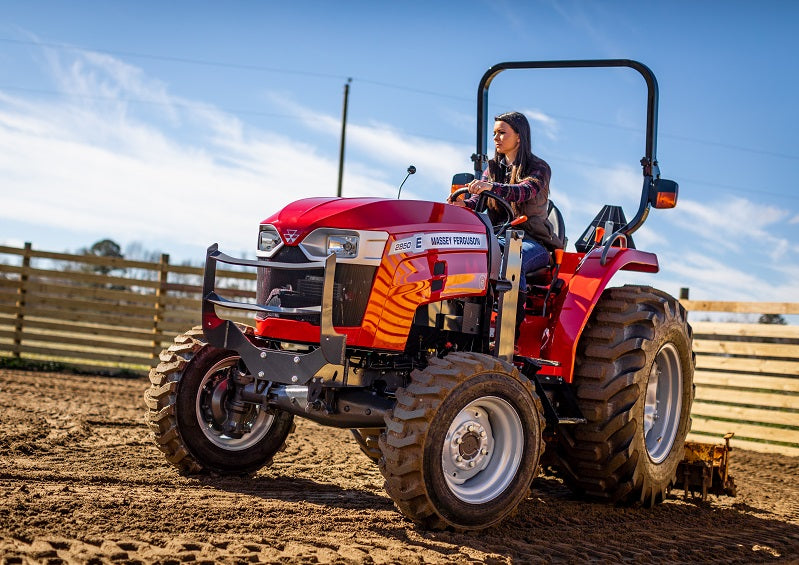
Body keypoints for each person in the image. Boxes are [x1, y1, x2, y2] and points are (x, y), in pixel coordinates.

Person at [449, 111, 563, 287]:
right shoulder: (492, 169)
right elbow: (479, 200)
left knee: (512, 262)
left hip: (532, 241)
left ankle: (513, 314)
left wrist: (491, 187)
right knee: (464, 255)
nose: (496, 138)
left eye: (502, 132)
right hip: (497, 237)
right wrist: (463, 204)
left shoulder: (539, 167)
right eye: (494, 133)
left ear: (519, 136)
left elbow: (525, 191)